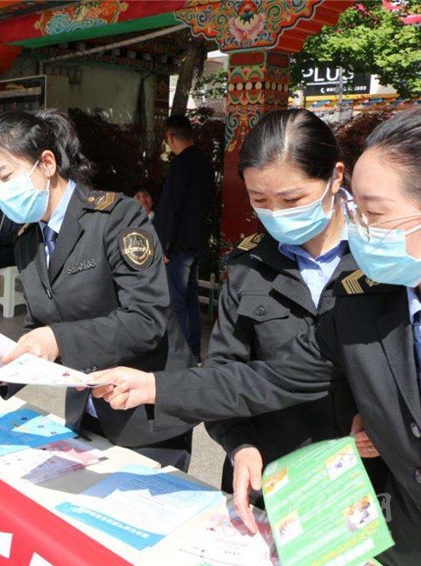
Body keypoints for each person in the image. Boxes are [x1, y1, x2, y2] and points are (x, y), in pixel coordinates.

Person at [91, 109, 421, 565]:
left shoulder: (382, 280)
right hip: (294, 481)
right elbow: (263, 378)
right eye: (260, 201)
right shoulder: (344, 297)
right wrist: (156, 387)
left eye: (374, 214)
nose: (360, 228)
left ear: (334, 178)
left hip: (379, 492)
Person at [0, 109, 195, 471]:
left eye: (5, 176)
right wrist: (1, 371)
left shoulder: (117, 218)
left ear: (47, 164)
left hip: (145, 416)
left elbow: (146, 319)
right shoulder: (28, 240)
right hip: (84, 411)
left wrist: (57, 338)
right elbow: (41, 325)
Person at [198, 109, 384, 530]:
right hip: (271, 475)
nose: (276, 214)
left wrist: (384, 418)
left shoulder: (384, 253)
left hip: (368, 482)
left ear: (336, 177)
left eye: (292, 200)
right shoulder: (248, 265)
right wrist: (239, 444)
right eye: (260, 201)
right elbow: (224, 372)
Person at [153, 114, 215, 361]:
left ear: (170, 137)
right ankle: (194, 352)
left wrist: (162, 245)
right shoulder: (204, 163)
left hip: (177, 244)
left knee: (176, 302)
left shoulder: (180, 165)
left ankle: (181, 357)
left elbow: (170, 208)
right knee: (190, 300)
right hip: (196, 241)